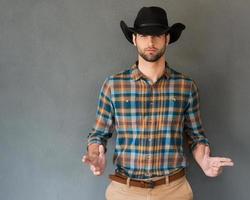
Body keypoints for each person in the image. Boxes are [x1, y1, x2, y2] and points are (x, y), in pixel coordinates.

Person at [82, 6, 234, 200]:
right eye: (144, 36)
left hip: (174, 190)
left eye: (157, 35)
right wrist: (95, 155)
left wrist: (205, 162)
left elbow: (196, 137)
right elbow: (98, 135)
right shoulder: (114, 85)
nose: (150, 42)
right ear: (134, 39)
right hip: (125, 191)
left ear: (167, 39)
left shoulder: (186, 87)